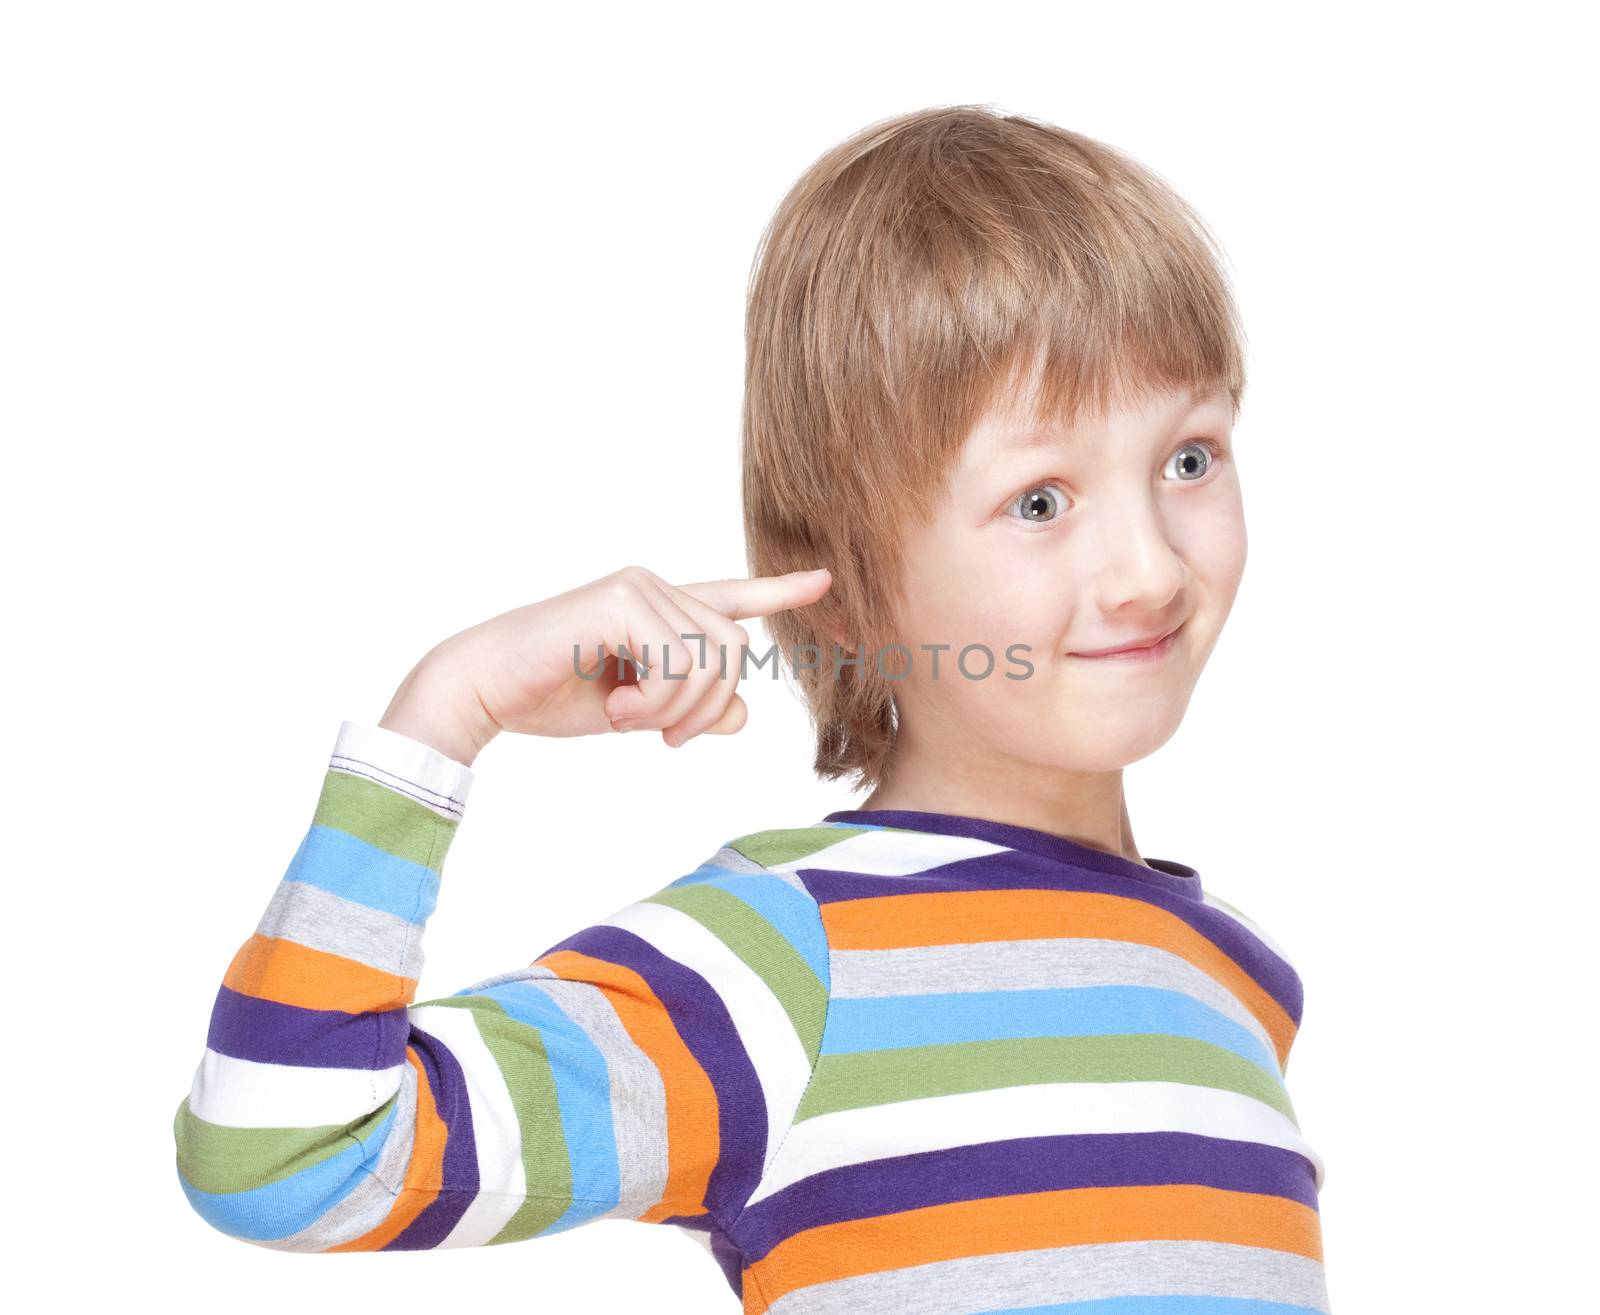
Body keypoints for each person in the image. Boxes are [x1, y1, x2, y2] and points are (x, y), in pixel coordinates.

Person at [173, 104, 1331, 1313]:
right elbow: (285, 1157)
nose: (1148, 568)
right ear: (843, 592)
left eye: (1188, 458)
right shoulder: (784, 962)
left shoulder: (1242, 978)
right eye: (1038, 501)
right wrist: (444, 711)